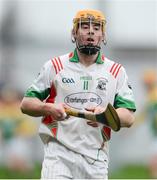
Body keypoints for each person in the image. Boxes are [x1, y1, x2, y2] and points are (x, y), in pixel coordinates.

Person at [20, 9, 136, 179]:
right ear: (74, 33)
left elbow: (128, 117)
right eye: (84, 26)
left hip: (96, 158)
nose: (91, 31)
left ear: (103, 35)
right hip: (58, 154)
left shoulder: (116, 71)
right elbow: (26, 104)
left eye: (96, 27)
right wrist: (49, 108)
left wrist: (106, 115)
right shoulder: (55, 66)